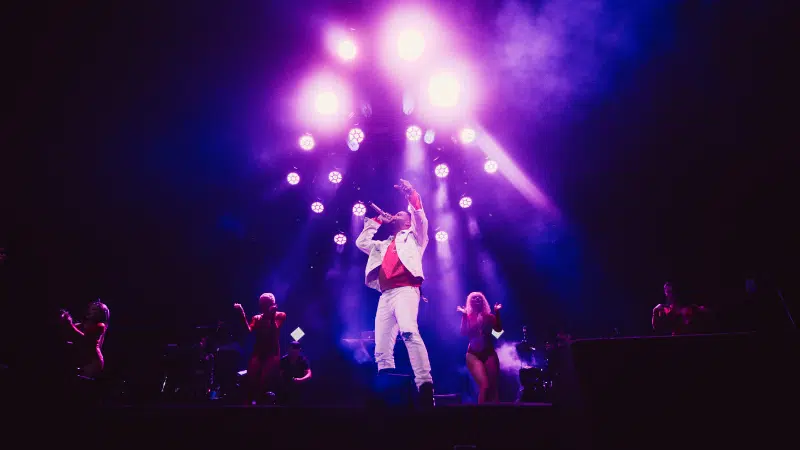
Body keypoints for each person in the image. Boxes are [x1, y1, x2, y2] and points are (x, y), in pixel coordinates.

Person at [355, 178, 434, 406]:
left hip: (406, 290)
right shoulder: (383, 244)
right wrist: (379, 219)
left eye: (402, 213)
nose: (398, 214)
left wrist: (411, 195)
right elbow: (362, 241)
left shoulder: (416, 237)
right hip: (386, 295)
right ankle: (387, 388)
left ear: (408, 220)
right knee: (381, 345)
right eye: (397, 213)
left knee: (409, 332)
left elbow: (420, 217)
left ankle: (425, 384)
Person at [234, 293, 286, 404]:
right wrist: (241, 313)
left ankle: (263, 404)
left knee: (265, 380)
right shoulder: (257, 318)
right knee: (252, 379)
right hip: (258, 352)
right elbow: (248, 330)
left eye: (265, 304)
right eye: (261, 304)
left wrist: (271, 317)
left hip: (272, 353)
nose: (262, 306)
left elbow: (275, 330)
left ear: (272, 304)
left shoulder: (280, 315)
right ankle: (252, 403)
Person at [457, 292, 502, 403]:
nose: (477, 298)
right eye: (474, 297)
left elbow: (498, 334)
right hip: (473, 354)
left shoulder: (490, 317)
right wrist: (464, 315)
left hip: (489, 352)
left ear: (483, 301)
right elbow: (463, 333)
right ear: (470, 302)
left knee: (493, 386)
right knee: (484, 385)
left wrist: (497, 313)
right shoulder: (468, 316)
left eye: (479, 297)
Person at [60, 300, 110, 378]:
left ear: (100, 314)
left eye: (94, 310)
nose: (90, 311)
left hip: (92, 363)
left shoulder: (100, 326)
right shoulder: (82, 325)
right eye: (90, 309)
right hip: (83, 360)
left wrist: (69, 325)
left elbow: (85, 341)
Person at [279, 341, 312, 405]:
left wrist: (300, 380)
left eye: (296, 351)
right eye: (292, 351)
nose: (294, 353)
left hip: (300, 390)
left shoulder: (302, 360)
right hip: (286, 389)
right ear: (289, 350)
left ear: (299, 351)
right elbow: (279, 375)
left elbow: (309, 374)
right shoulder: (283, 360)